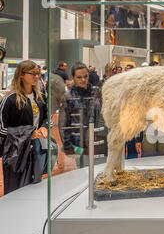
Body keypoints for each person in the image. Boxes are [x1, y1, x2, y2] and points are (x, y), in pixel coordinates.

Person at [0, 60, 49, 194]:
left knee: (35, 187)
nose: (36, 77)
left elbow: (46, 118)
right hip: (16, 152)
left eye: (38, 73)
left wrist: (44, 127)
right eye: (32, 73)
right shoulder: (9, 100)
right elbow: (1, 128)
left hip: (37, 148)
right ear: (21, 75)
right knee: (15, 189)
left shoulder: (41, 97)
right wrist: (28, 133)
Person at [59, 62, 96, 168]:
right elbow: (63, 123)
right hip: (77, 141)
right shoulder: (68, 96)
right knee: (83, 173)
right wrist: (67, 146)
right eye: (79, 77)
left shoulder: (95, 92)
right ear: (73, 77)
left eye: (85, 76)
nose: (83, 80)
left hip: (95, 140)